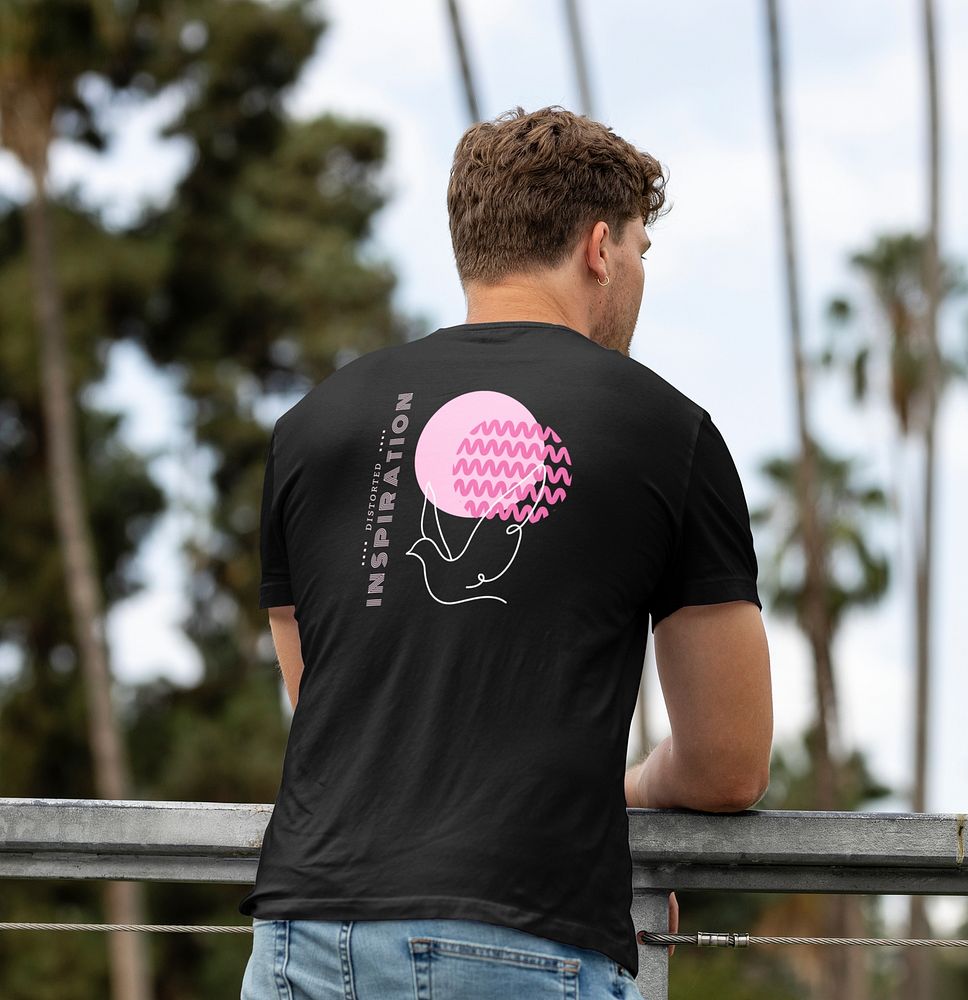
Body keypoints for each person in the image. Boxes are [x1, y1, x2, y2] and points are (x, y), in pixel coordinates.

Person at [238, 104, 773, 1000]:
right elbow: (729, 763)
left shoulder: (311, 427)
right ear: (599, 247)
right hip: (524, 938)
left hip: (302, 937)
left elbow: (328, 702)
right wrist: (621, 787)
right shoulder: (666, 430)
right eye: (641, 249)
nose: (638, 274)